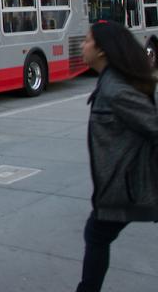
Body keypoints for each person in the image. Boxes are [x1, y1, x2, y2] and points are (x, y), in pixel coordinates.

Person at [76, 20, 158, 292]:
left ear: (101, 50)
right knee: (96, 235)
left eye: (87, 40)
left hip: (127, 188)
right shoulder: (111, 82)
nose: (82, 45)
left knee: (96, 236)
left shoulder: (116, 90)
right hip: (122, 186)